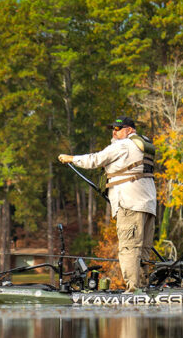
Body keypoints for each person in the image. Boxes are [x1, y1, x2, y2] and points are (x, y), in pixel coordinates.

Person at [58, 117, 156, 292]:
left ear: (130, 130)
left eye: (118, 129)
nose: (114, 132)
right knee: (143, 250)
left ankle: (134, 290)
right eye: (113, 129)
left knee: (129, 248)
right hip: (147, 205)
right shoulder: (143, 146)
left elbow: (95, 160)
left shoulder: (123, 145)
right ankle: (143, 286)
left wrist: (71, 158)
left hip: (129, 204)